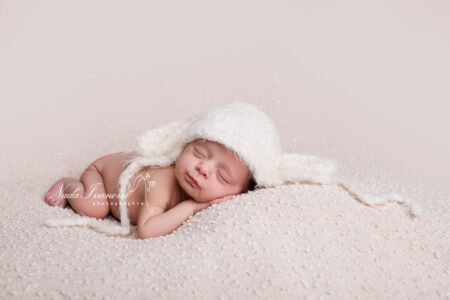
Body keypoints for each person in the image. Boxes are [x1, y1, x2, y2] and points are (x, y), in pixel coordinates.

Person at [44, 101, 421, 239]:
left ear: (241, 192)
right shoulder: (160, 181)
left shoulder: (241, 190)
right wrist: (191, 207)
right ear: (184, 145)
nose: (202, 170)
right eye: (199, 152)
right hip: (104, 177)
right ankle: (71, 185)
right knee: (95, 206)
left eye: (222, 177)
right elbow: (147, 229)